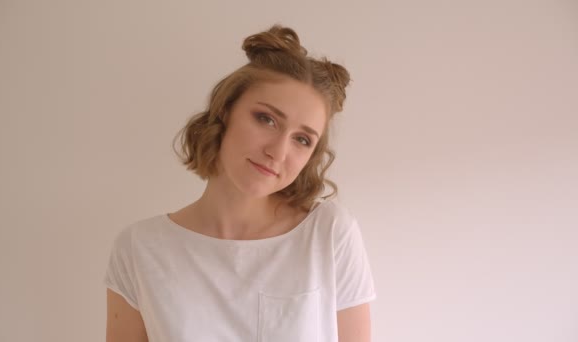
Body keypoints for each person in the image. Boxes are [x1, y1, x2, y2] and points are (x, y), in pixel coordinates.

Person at [104, 24, 376, 342]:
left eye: (302, 139)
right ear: (225, 111)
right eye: (266, 119)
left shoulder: (328, 235)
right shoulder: (140, 249)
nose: (277, 151)